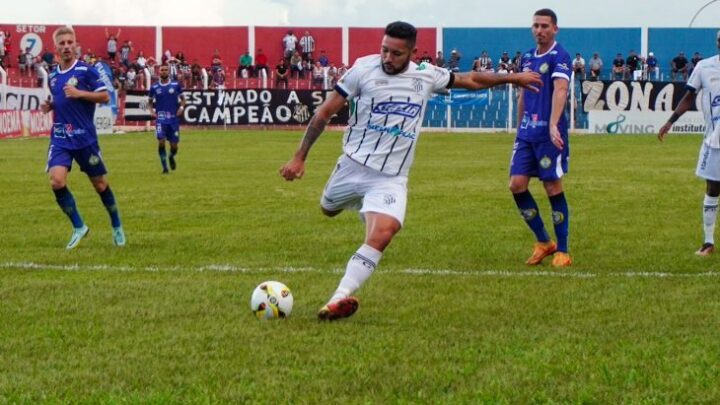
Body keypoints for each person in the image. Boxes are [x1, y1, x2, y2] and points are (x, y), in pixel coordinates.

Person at [279, 21, 542, 320]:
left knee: (385, 231)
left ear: (412, 53)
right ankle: (360, 206)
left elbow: (470, 79)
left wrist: (512, 78)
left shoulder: (425, 75)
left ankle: (338, 299)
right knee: (327, 209)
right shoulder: (363, 70)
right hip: (351, 167)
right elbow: (324, 113)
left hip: (390, 178)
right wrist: (300, 157)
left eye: (396, 54)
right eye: (384, 50)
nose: (387, 58)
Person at [40, 26, 125, 249]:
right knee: (56, 181)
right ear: (56, 47)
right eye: (62, 43)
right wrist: (50, 106)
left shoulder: (87, 71)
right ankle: (79, 226)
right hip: (60, 137)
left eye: (70, 42)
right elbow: (61, 100)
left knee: (100, 184)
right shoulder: (53, 76)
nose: (67, 46)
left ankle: (116, 225)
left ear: (75, 45)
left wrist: (80, 94)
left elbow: (105, 96)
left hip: (85, 139)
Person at [510, 8, 572, 267]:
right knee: (516, 185)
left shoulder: (561, 56)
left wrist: (554, 125)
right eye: (536, 25)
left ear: (555, 28)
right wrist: (518, 128)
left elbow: (561, 89)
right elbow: (524, 95)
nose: (540, 30)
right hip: (527, 133)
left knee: (552, 186)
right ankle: (544, 242)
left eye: (545, 26)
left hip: (549, 133)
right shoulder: (526, 58)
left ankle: (564, 251)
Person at [658, 31, 720, 256]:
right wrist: (670, 121)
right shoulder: (705, 67)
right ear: (717, 42)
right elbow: (688, 97)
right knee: (713, 189)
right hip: (715, 141)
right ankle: (708, 241)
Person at [149, 63, 186, 174]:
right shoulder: (154, 87)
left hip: (173, 119)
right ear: (159, 72)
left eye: (166, 69)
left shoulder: (176, 85)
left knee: (174, 146)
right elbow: (150, 102)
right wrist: (151, 112)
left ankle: (171, 156)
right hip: (160, 119)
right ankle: (165, 168)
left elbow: (183, 99)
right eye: (162, 70)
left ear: (168, 72)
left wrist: (182, 107)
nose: (164, 71)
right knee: (161, 141)